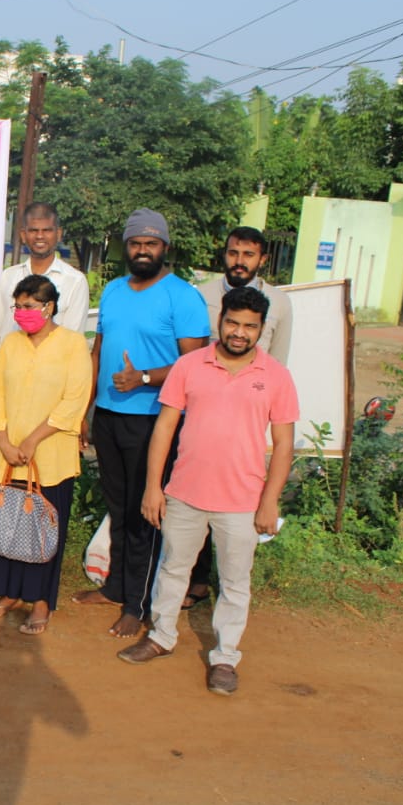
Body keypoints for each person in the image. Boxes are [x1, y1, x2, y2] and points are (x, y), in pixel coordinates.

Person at [117, 287, 298, 696]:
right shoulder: (189, 365)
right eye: (233, 322)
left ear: (261, 329)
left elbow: (285, 444)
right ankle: (162, 636)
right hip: (184, 493)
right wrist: (153, 487)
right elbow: (164, 427)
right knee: (173, 568)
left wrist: (269, 500)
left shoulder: (276, 376)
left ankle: (225, 657)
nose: (239, 332)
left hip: (243, 501)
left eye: (250, 326)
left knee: (235, 582)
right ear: (221, 321)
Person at [73, 208, 209, 638]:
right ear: (125, 248)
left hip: (155, 420)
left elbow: (195, 363)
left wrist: (145, 378)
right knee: (118, 508)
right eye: (136, 243)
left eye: (151, 244)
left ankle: (139, 603)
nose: (143, 250)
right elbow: (99, 352)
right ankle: (115, 588)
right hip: (111, 416)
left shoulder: (183, 296)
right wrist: (86, 411)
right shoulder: (113, 291)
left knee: (144, 513)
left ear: (164, 248)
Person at [184, 226, 294, 608]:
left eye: (248, 255)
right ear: (225, 254)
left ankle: (226, 584)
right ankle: (194, 581)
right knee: (194, 496)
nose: (239, 261)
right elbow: (193, 353)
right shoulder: (202, 296)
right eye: (233, 253)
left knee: (236, 503)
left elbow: (278, 360)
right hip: (202, 411)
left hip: (248, 417)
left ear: (261, 259)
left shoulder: (279, 303)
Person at [0, 275, 92, 634]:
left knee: (43, 529)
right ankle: (8, 592)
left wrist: (32, 441)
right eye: (18, 306)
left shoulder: (74, 344)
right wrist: (3, 440)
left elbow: (75, 398)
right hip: (8, 452)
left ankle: (40, 600)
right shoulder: (11, 344)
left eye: (29, 306)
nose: (22, 313)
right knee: (7, 524)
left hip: (51, 455)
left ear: (49, 307)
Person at [0, 202, 90, 340]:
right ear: (23, 235)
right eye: (33, 230)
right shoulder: (9, 277)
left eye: (47, 230)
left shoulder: (75, 281)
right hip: (8, 359)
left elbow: (73, 338)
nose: (40, 236)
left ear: (58, 234)